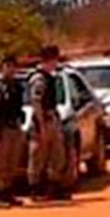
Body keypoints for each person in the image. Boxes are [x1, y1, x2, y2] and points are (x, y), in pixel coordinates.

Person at [28, 45, 71, 202]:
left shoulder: (50, 77)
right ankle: (35, 189)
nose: (56, 63)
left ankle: (54, 188)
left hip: (52, 119)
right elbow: (36, 103)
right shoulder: (38, 79)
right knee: (38, 156)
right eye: (54, 59)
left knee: (57, 156)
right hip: (43, 121)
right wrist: (41, 126)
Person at [0, 55, 26, 209]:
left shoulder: (17, 87)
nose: (10, 70)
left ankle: (8, 193)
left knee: (12, 163)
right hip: (1, 130)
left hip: (15, 127)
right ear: (2, 68)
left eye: (13, 66)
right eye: (7, 66)